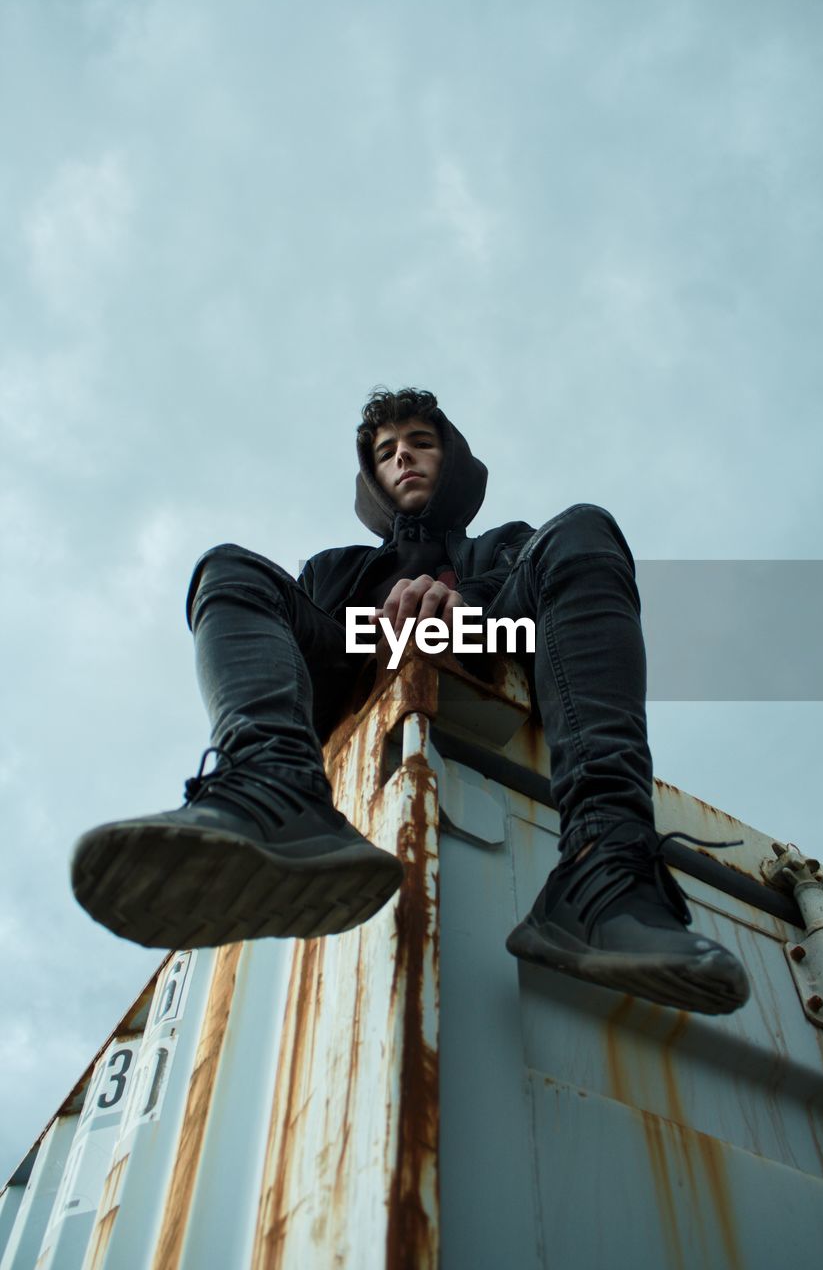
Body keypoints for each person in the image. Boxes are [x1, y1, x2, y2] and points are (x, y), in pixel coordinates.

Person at [71, 388, 750, 1015]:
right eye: (385, 451)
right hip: (357, 653)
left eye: (420, 441)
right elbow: (308, 656)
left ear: (448, 457)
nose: (402, 455)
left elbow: (544, 609)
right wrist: (378, 634)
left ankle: (605, 869)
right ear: (372, 478)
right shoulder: (334, 571)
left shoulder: (504, 546)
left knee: (583, 527)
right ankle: (272, 788)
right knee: (226, 567)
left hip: (489, 628)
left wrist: (465, 602)